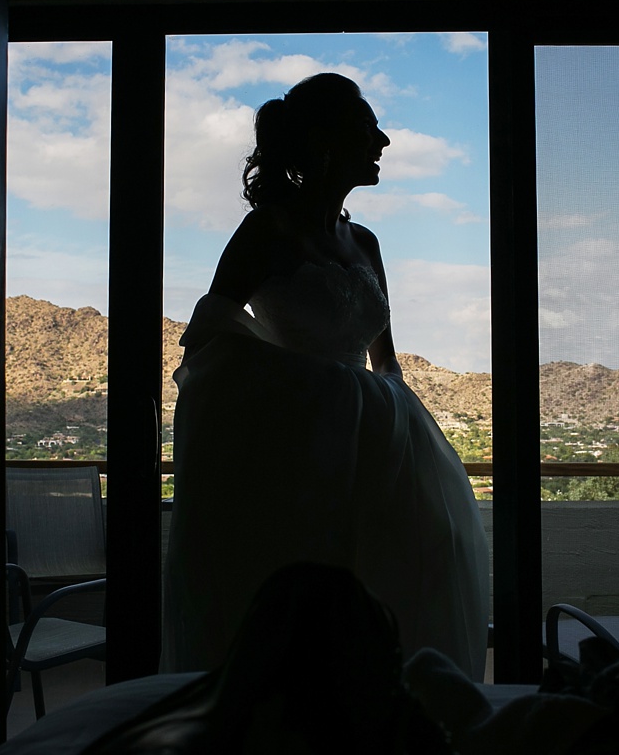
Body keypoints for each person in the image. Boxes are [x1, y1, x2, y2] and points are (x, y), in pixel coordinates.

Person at [161, 73, 489, 680]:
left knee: (418, 564)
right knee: (304, 584)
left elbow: (383, 360)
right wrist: (291, 387)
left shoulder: (365, 241)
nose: (385, 140)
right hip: (298, 441)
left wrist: (408, 431)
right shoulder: (268, 230)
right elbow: (210, 332)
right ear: (327, 142)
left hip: (379, 435)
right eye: (369, 128)